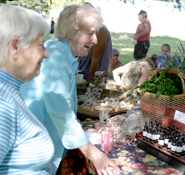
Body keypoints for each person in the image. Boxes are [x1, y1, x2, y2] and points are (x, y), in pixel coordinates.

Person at [20, 5, 119, 175]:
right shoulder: (55, 57)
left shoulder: (61, 52)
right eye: (90, 33)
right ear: (72, 32)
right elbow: (61, 112)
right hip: (30, 154)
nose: (95, 40)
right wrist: (95, 155)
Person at [0, 5, 54, 174]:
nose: (46, 54)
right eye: (40, 45)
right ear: (15, 47)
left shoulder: (9, 91)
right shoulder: (3, 103)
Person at [78, 0, 112, 81]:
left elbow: (95, 62)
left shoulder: (101, 30)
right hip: (82, 79)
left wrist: (90, 85)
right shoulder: (88, 29)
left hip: (93, 83)